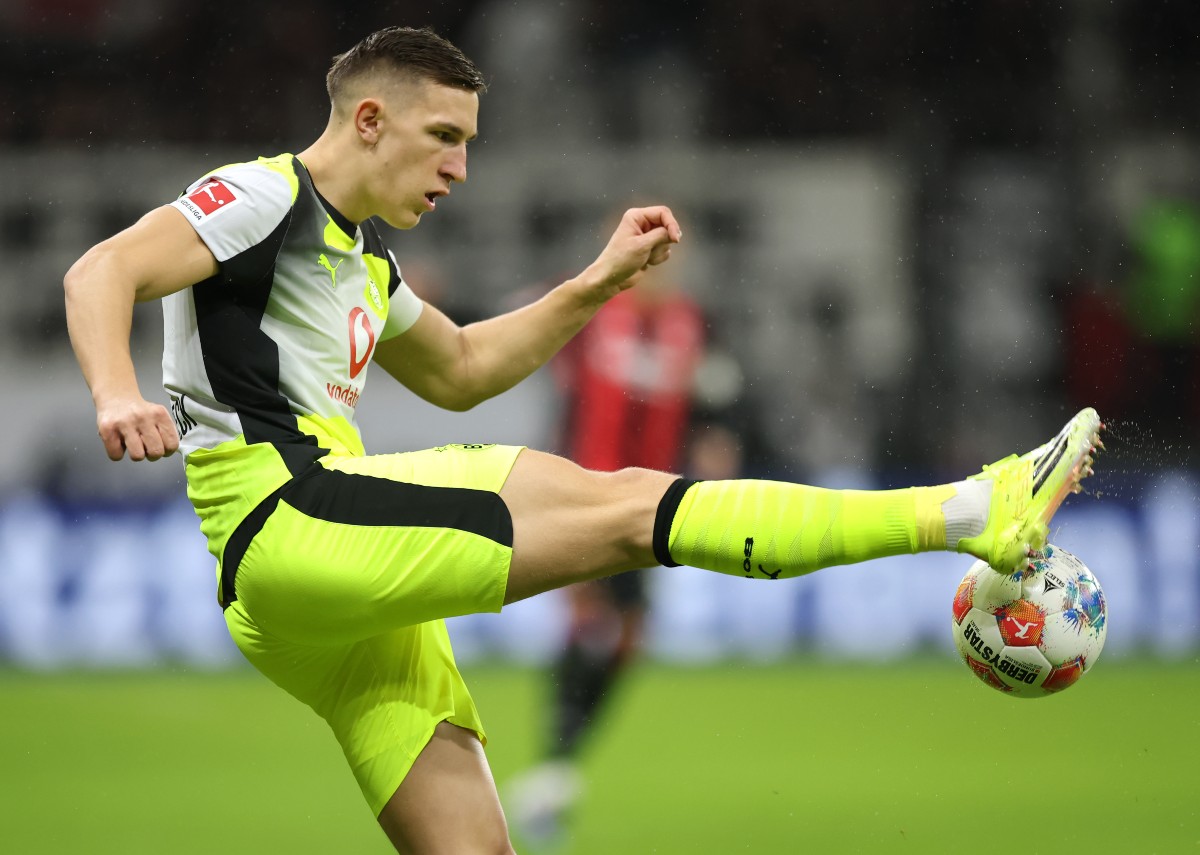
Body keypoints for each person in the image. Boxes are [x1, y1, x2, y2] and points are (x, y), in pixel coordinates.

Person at [63, 26, 1103, 854]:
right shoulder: (265, 195)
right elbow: (100, 271)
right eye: (445, 138)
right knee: (625, 511)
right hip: (290, 517)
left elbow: (464, 370)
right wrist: (116, 393)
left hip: (310, 603)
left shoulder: (362, 264)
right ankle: (972, 509)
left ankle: (973, 510)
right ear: (369, 119)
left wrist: (591, 287)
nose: (461, 168)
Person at [506, 265, 707, 847]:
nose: (660, 273)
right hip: (588, 494)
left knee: (627, 638)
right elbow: (530, 336)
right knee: (588, 623)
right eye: (651, 261)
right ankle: (551, 768)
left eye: (670, 260)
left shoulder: (685, 325)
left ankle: (557, 767)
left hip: (654, 503)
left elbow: (703, 400)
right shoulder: (592, 314)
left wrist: (717, 438)